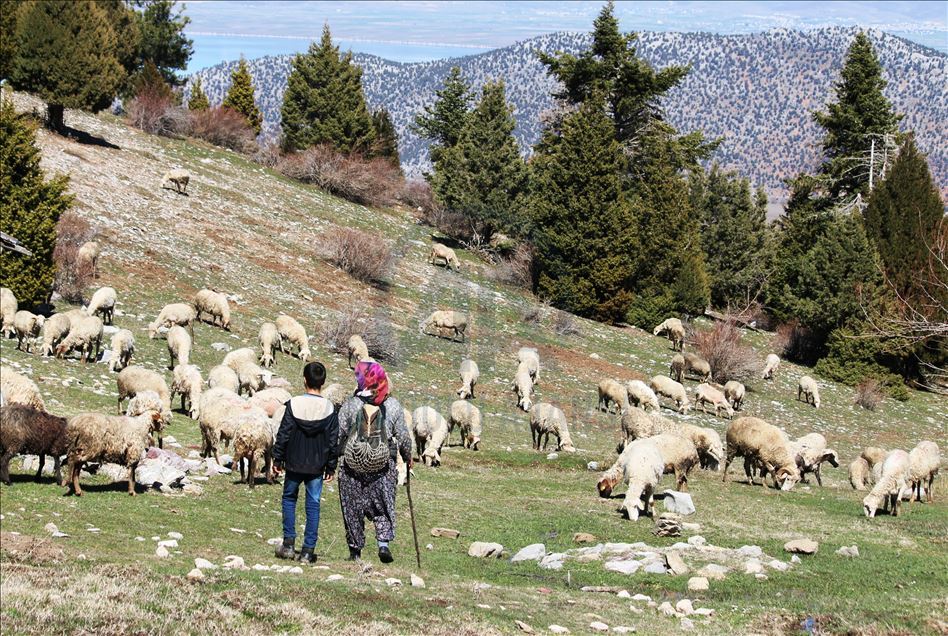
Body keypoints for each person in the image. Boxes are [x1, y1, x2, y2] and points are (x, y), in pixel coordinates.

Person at [337, 360, 411, 563]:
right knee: (383, 507)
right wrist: (407, 456)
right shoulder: (393, 406)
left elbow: (339, 434)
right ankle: (383, 544)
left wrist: (332, 458)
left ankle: (355, 552)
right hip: (382, 468)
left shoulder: (352, 405)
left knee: (352, 509)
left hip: (352, 469)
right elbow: (403, 436)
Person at [272, 361, 338, 563]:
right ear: (323, 382)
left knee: (289, 499)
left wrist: (278, 457)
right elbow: (333, 439)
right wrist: (331, 465)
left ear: (304, 380)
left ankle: (289, 544)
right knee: (313, 504)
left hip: (293, 462)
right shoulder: (329, 408)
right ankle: (308, 551)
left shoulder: (294, 404)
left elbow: (284, 433)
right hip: (317, 466)